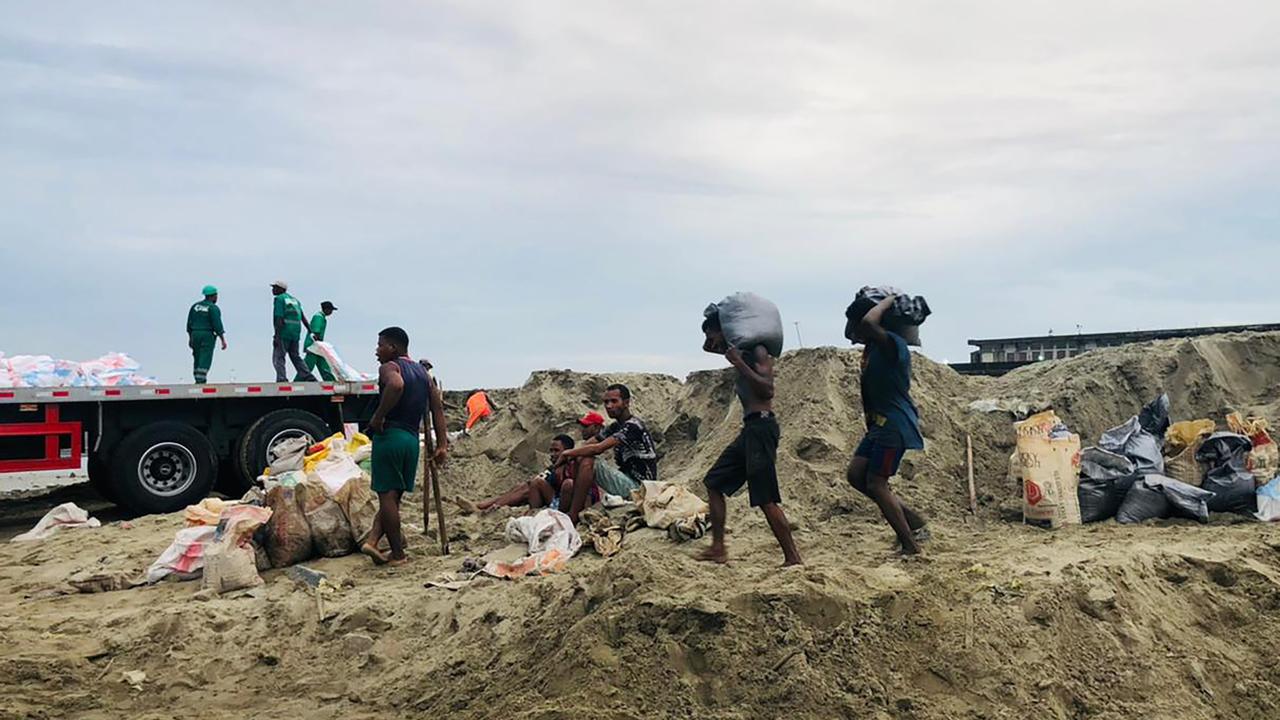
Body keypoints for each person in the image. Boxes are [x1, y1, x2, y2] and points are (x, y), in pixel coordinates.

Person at [698, 312, 803, 566]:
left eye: (710, 333)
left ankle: (793, 558)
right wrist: (715, 337)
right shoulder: (740, 351)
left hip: (762, 426)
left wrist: (739, 363)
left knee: (766, 497)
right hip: (750, 430)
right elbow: (709, 348)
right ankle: (718, 548)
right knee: (714, 482)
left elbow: (767, 389)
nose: (708, 340)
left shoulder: (757, 351)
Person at [844, 294, 929, 555]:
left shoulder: (893, 345)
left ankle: (910, 546)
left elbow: (870, 324)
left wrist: (888, 300)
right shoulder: (873, 348)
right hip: (880, 426)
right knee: (856, 475)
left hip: (894, 425)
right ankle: (915, 524)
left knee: (876, 484)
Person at [361, 326, 448, 566]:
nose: (376, 351)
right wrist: (442, 444)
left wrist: (378, 417)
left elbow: (396, 385)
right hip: (412, 440)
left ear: (393, 347)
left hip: (391, 436)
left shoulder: (390, 367)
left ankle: (397, 554)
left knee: (386, 496)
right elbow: (437, 408)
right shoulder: (423, 373)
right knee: (394, 496)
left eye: (380, 345)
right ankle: (373, 540)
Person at [557, 384, 657, 523]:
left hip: (640, 488)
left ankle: (573, 515)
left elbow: (597, 448)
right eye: (606, 402)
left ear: (626, 403)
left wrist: (567, 454)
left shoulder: (633, 426)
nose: (609, 406)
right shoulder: (616, 426)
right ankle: (574, 509)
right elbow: (589, 444)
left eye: (614, 401)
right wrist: (570, 457)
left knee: (589, 461)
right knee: (580, 458)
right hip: (627, 480)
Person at [455, 434, 596, 514]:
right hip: (555, 500)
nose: (552, 454)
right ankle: (482, 505)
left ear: (567, 451)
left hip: (567, 507)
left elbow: (586, 491)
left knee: (532, 485)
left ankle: (486, 507)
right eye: (551, 451)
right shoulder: (557, 467)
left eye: (556, 451)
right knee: (525, 485)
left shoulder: (574, 465)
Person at [271, 280, 316, 382]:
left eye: (275, 288)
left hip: (284, 333)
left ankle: (282, 379)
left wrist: (277, 336)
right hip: (295, 334)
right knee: (295, 356)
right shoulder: (295, 301)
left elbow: (279, 318)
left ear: (281, 289)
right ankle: (307, 376)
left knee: (279, 357)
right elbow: (303, 318)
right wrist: (310, 331)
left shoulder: (279, 299)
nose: (273, 290)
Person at [186, 285, 227, 384]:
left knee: (197, 356)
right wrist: (222, 339)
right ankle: (201, 380)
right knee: (205, 356)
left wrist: (190, 337)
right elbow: (217, 325)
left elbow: (189, 324)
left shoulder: (195, 306)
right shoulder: (213, 308)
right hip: (207, 335)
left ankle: (197, 378)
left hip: (195, 334)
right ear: (213, 296)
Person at [301, 300, 338, 381]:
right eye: (331, 310)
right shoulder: (319, 317)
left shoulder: (322, 317)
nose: (331, 312)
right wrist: (319, 345)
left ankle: (331, 381)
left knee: (323, 365)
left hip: (317, 347)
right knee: (308, 366)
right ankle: (297, 381)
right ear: (326, 309)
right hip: (313, 346)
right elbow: (316, 332)